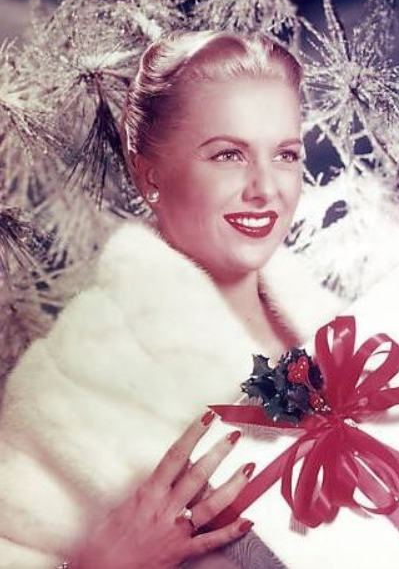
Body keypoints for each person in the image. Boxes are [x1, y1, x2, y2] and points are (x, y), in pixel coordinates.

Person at [0, 30, 343, 569]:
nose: (265, 188)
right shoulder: (71, 384)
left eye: (285, 154)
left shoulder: (346, 329)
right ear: (149, 173)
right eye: (228, 155)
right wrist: (100, 565)